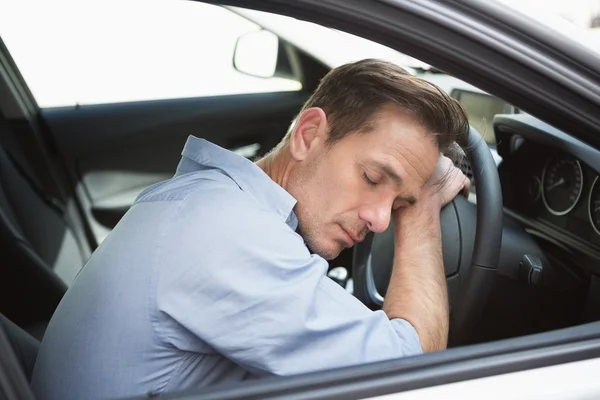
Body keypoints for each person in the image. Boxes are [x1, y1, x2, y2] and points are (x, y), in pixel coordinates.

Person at [31, 59, 470, 400]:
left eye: (399, 204)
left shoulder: (208, 200)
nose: (380, 220)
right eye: (374, 179)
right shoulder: (228, 235)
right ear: (308, 135)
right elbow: (411, 378)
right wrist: (422, 208)